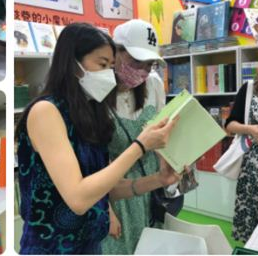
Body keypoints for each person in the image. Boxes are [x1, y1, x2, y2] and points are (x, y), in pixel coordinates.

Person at [16, 23, 184, 254]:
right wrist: (140, 146)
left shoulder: (88, 113)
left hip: (90, 245)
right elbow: (78, 198)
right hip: (54, 247)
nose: (108, 74)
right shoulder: (46, 112)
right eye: (102, 65)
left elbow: (106, 189)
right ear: (72, 63)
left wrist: (159, 179)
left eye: (111, 66)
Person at [103, 20, 168, 255]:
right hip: (116, 194)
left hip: (152, 186)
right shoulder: (96, 91)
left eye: (149, 64)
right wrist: (106, 211)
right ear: (115, 53)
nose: (143, 70)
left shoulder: (153, 84)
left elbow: (162, 130)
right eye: (136, 61)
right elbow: (91, 162)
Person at [226, 35, 258, 243]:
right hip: (253, 175)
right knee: (254, 236)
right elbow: (229, 125)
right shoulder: (250, 89)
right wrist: (250, 130)